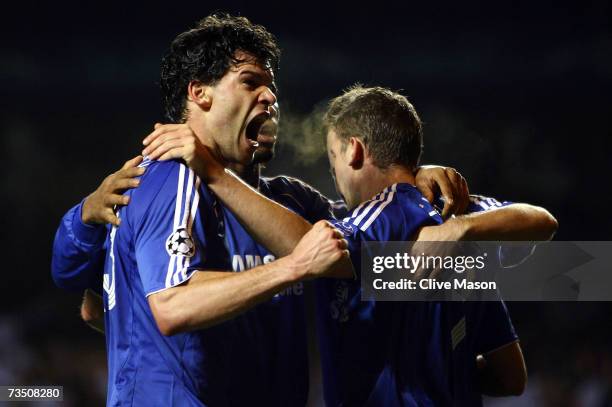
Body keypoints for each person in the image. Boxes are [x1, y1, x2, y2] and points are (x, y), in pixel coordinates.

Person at [136, 85, 557, 405]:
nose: (334, 173)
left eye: (333, 158)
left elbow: (316, 249)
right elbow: (511, 376)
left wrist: (211, 172)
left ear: (354, 151)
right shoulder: (460, 223)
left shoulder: (374, 222)